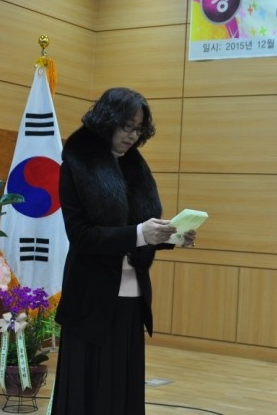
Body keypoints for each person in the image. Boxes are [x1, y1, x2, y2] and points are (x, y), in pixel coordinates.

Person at [51, 87, 195, 414]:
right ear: (108, 121)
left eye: (138, 129)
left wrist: (170, 237)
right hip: (91, 296)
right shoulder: (77, 163)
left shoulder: (133, 166)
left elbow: (135, 231)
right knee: (89, 389)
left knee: (122, 385)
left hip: (131, 295)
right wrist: (141, 233)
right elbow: (82, 236)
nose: (132, 136)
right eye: (126, 126)